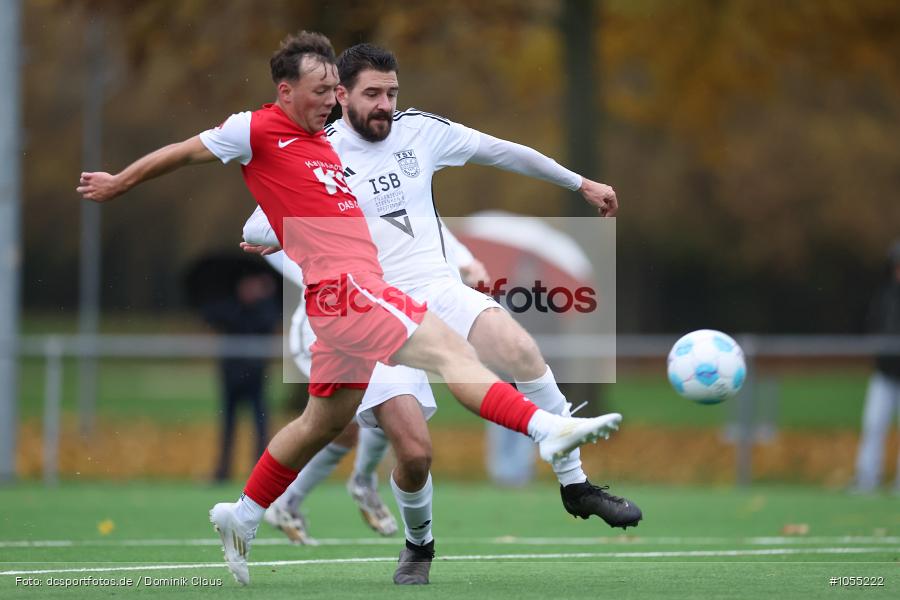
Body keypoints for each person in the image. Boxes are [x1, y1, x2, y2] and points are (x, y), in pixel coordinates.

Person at [75, 31, 624, 587]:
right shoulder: (257, 129)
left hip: (344, 299)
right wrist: (121, 182)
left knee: (324, 422)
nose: (332, 99)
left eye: (335, 88)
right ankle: (546, 430)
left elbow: (332, 207)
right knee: (450, 354)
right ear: (288, 91)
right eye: (324, 90)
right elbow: (188, 156)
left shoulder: (325, 144)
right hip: (353, 292)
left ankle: (240, 515)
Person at [240, 42, 642, 584]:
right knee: (415, 454)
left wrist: (581, 183)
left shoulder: (420, 132)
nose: (385, 105)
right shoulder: (318, 153)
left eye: (392, 93)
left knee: (521, 348)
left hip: (436, 288)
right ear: (340, 96)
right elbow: (254, 227)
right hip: (371, 309)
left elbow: (504, 151)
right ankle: (419, 546)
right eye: (372, 94)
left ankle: (575, 485)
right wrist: (280, 231)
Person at [253, 219, 487, 547]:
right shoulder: (324, 187)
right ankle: (352, 484)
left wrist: (464, 259)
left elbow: (422, 215)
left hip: (379, 323)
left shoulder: (383, 191)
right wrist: (316, 265)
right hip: (325, 328)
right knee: (353, 413)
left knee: (352, 425)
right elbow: (262, 226)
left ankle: (289, 502)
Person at [200, 270, 280, 482]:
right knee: (228, 424)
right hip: (231, 376)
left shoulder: (264, 309)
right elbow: (211, 316)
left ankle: (260, 472)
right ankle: (223, 469)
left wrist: (265, 297)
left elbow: (269, 323)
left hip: (256, 377)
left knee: (261, 425)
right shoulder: (230, 307)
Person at [853, 239, 900, 494]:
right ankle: (867, 478)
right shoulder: (885, 296)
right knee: (873, 424)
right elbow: (873, 327)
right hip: (884, 375)